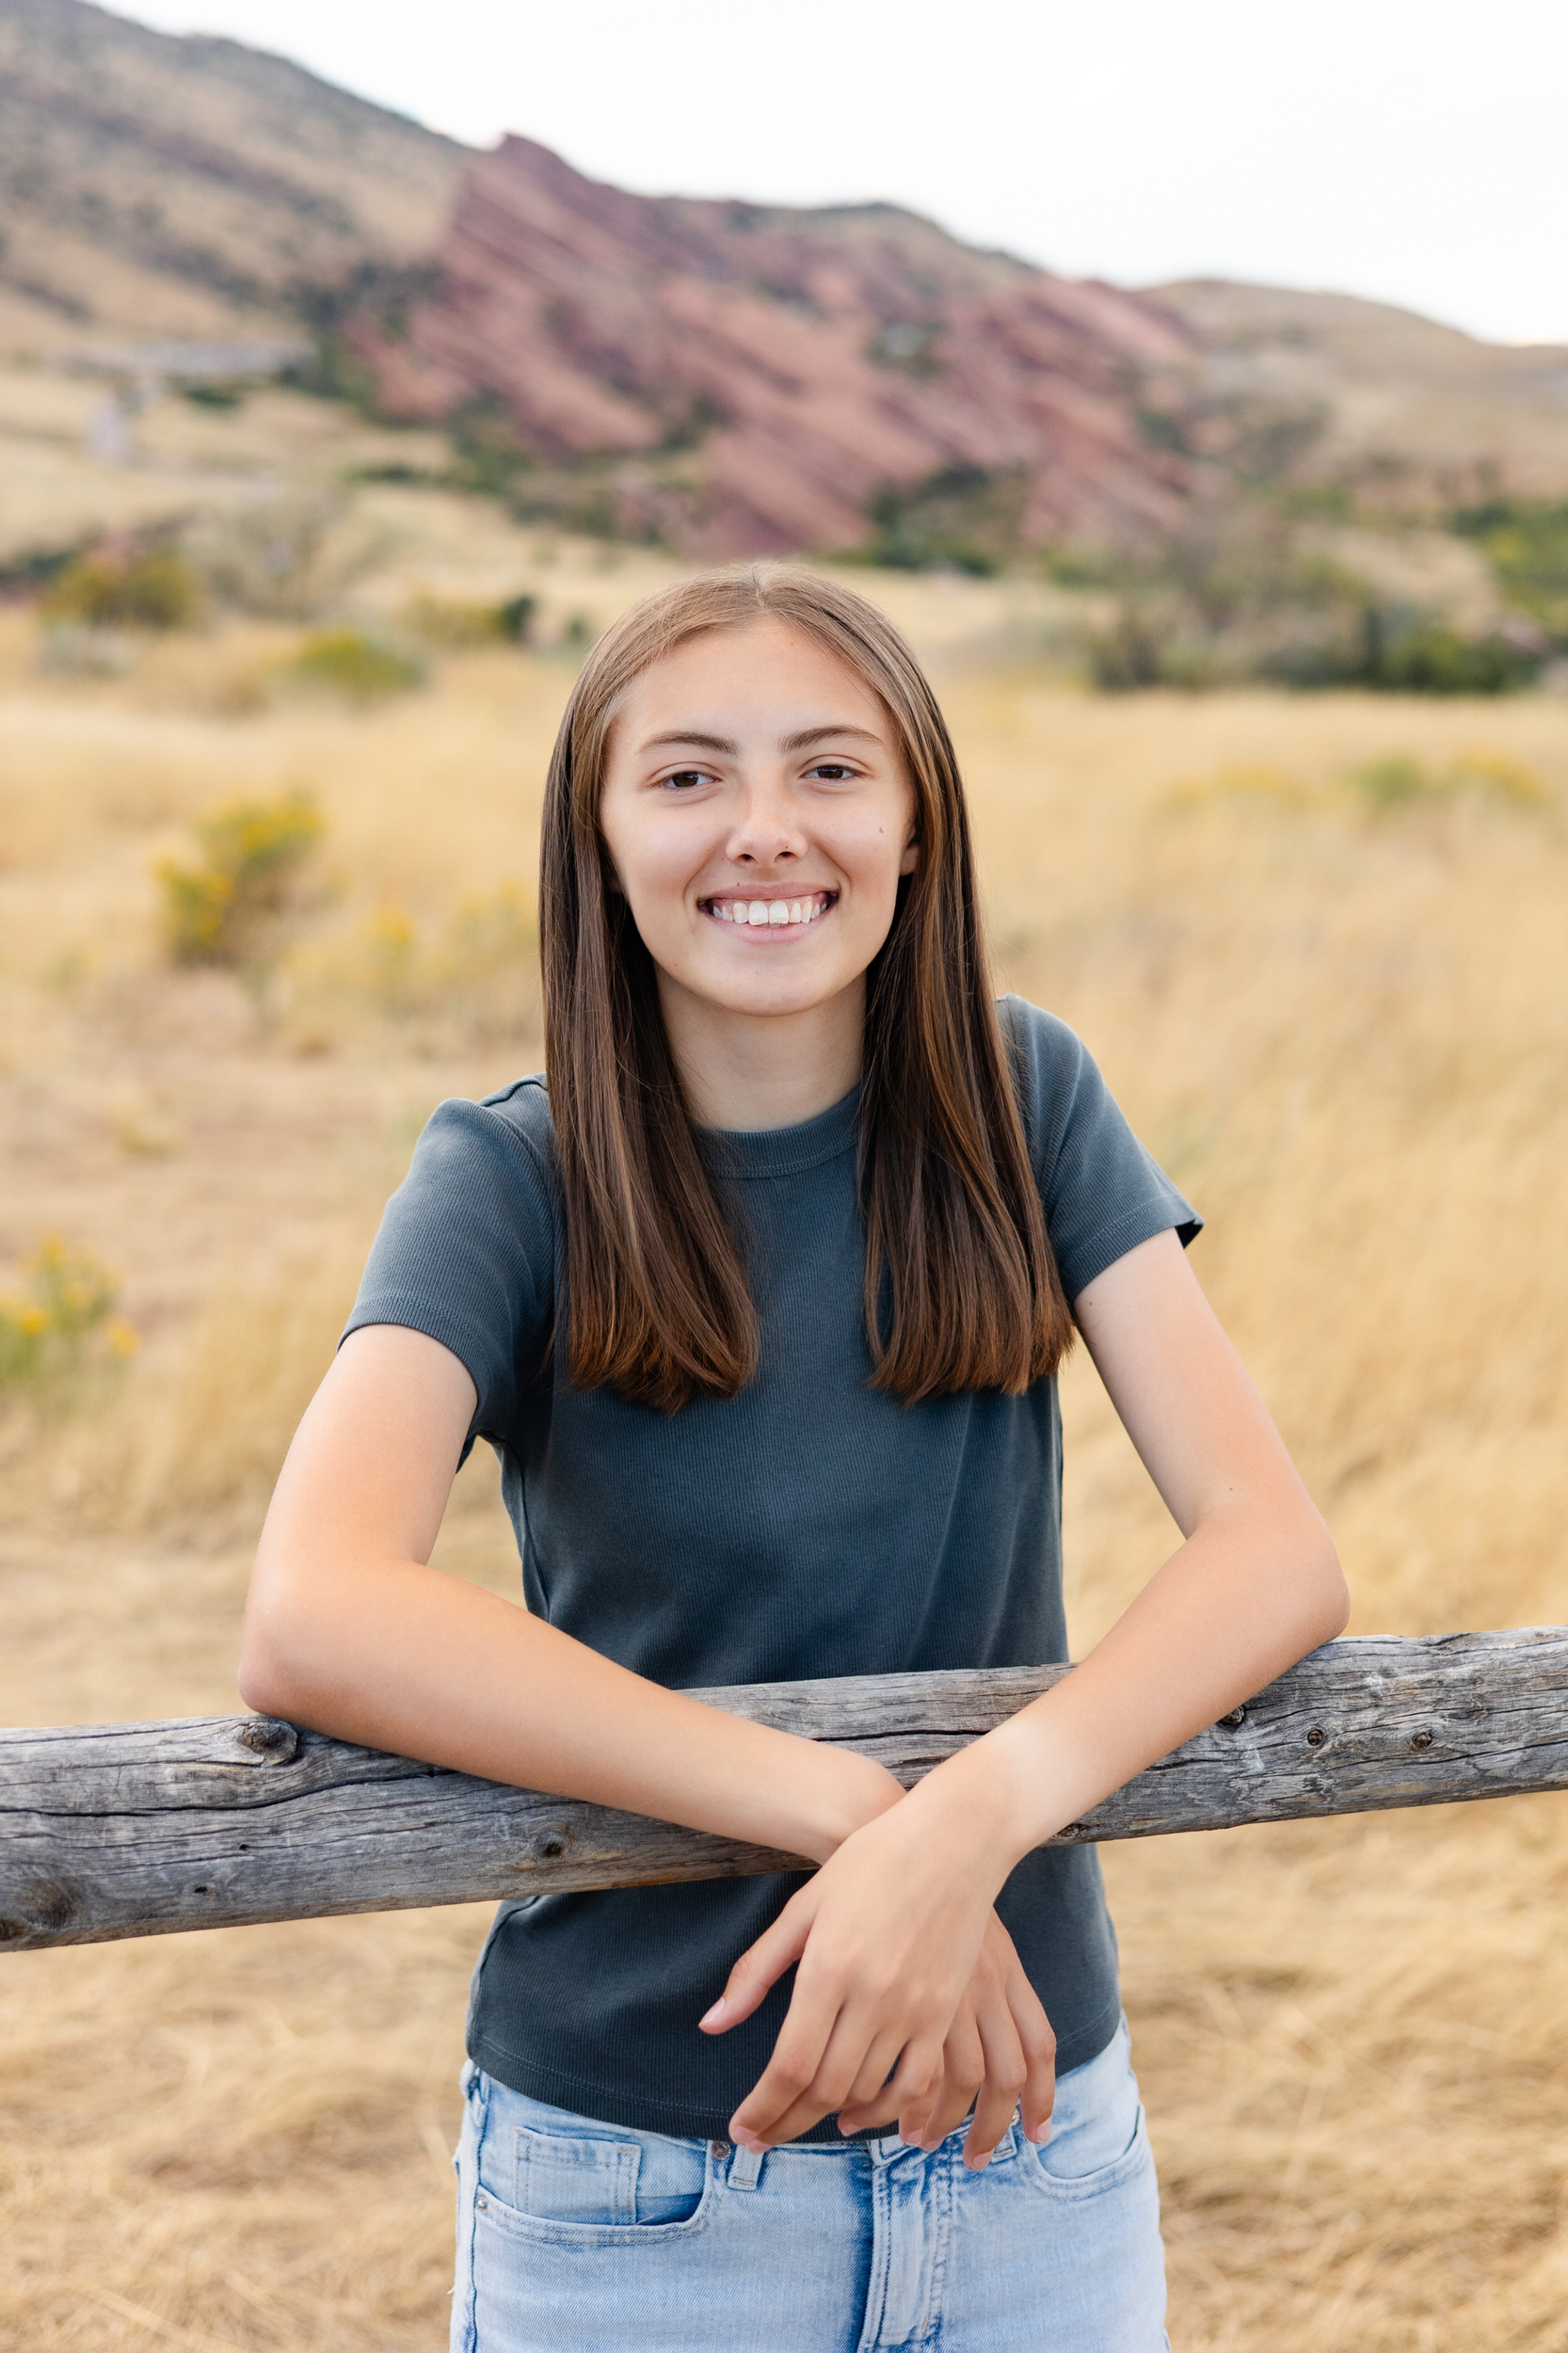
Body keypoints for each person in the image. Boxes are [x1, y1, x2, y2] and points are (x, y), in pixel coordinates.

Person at [239, 566, 1348, 2353]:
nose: (764, 830)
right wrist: (854, 1819)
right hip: (649, 2180)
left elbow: (1270, 1549)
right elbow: (318, 1608)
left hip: (1029, 2145)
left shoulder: (1024, 1101)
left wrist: (968, 1824)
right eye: (686, 777)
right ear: (597, 842)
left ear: (918, 828)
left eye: (830, 769)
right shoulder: (509, 1177)